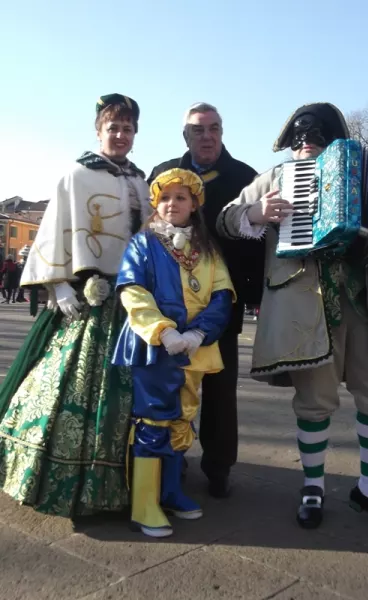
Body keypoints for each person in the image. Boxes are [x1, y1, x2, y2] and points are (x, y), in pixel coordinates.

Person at [218, 102, 368, 535]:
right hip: (305, 310)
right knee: (315, 401)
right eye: (300, 139)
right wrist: (256, 213)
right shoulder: (275, 179)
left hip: (362, 305)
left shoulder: (358, 178)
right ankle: (312, 486)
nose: (307, 146)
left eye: (317, 139)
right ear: (290, 143)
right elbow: (226, 219)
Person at [0, 94, 150, 517]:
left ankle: (124, 477)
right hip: (86, 299)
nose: (120, 135)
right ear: (99, 130)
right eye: (113, 127)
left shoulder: (141, 182)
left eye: (128, 129)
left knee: (129, 394)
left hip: (130, 300)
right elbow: (53, 231)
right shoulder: (76, 174)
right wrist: (59, 286)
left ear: (135, 135)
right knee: (73, 384)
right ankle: (61, 478)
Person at [148, 103, 265, 497]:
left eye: (214, 128)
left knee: (219, 390)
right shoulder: (163, 174)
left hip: (221, 305)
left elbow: (258, 244)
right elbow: (146, 230)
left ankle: (219, 465)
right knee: (168, 387)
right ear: (186, 136)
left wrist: (252, 295)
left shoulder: (247, 178)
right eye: (198, 130)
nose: (207, 136)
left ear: (222, 131)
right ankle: (171, 459)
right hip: (168, 307)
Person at [112, 168, 235, 537]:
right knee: (154, 421)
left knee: (183, 419)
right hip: (154, 349)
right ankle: (144, 504)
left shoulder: (208, 250)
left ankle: (171, 491)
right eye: (165, 197)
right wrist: (163, 332)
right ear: (156, 203)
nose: (171, 204)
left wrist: (199, 332)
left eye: (181, 197)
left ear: (194, 203)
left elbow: (222, 295)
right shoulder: (143, 244)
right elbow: (132, 290)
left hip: (194, 350)